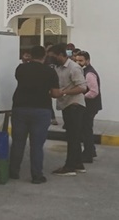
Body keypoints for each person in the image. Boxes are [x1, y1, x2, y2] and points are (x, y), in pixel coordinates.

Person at [9, 46, 63, 184]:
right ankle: (37, 176)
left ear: (30, 55)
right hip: (41, 110)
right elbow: (56, 93)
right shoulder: (50, 72)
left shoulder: (21, 68)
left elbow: (19, 79)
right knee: (37, 145)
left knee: (18, 142)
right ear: (44, 56)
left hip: (20, 108)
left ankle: (13, 172)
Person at [46, 43, 87, 176]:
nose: (51, 59)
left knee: (73, 137)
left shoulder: (73, 68)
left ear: (61, 55)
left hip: (74, 105)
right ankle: (78, 164)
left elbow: (82, 87)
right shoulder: (57, 68)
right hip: (66, 105)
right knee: (72, 136)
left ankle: (69, 167)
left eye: (53, 57)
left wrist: (63, 93)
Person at [75, 51, 102, 163]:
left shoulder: (89, 73)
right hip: (90, 106)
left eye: (81, 61)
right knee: (86, 129)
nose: (78, 63)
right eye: (77, 60)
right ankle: (91, 151)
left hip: (89, 106)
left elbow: (94, 92)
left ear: (87, 61)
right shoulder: (85, 71)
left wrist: (81, 97)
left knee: (86, 130)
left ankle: (88, 155)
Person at [44, 42, 59, 126]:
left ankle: (52, 117)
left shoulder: (55, 59)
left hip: (55, 80)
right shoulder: (45, 59)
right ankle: (52, 117)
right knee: (48, 100)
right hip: (47, 81)